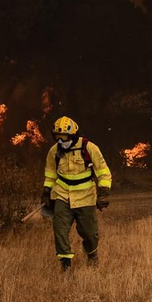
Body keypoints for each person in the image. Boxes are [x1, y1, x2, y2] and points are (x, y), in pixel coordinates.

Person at [42, 116, 112, 271]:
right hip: (62, 195)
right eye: (57, 137)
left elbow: (103, 172)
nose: (61, 141)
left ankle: (92, 255)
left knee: (89, 234)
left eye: (64, 137)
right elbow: (50, 173)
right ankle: (65, 265)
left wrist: (104, 193)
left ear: (73, 135)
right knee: (59, 230)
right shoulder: (54, 151)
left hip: (85, 196)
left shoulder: (89, 148)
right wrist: (46, 192)